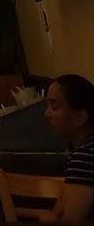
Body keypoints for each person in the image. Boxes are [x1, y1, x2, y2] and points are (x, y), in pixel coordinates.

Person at [45, 74, 94, 221]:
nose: (47, 113)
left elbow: (69, 220)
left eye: (54, 107)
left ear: (80, 117)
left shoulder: (85, 156)